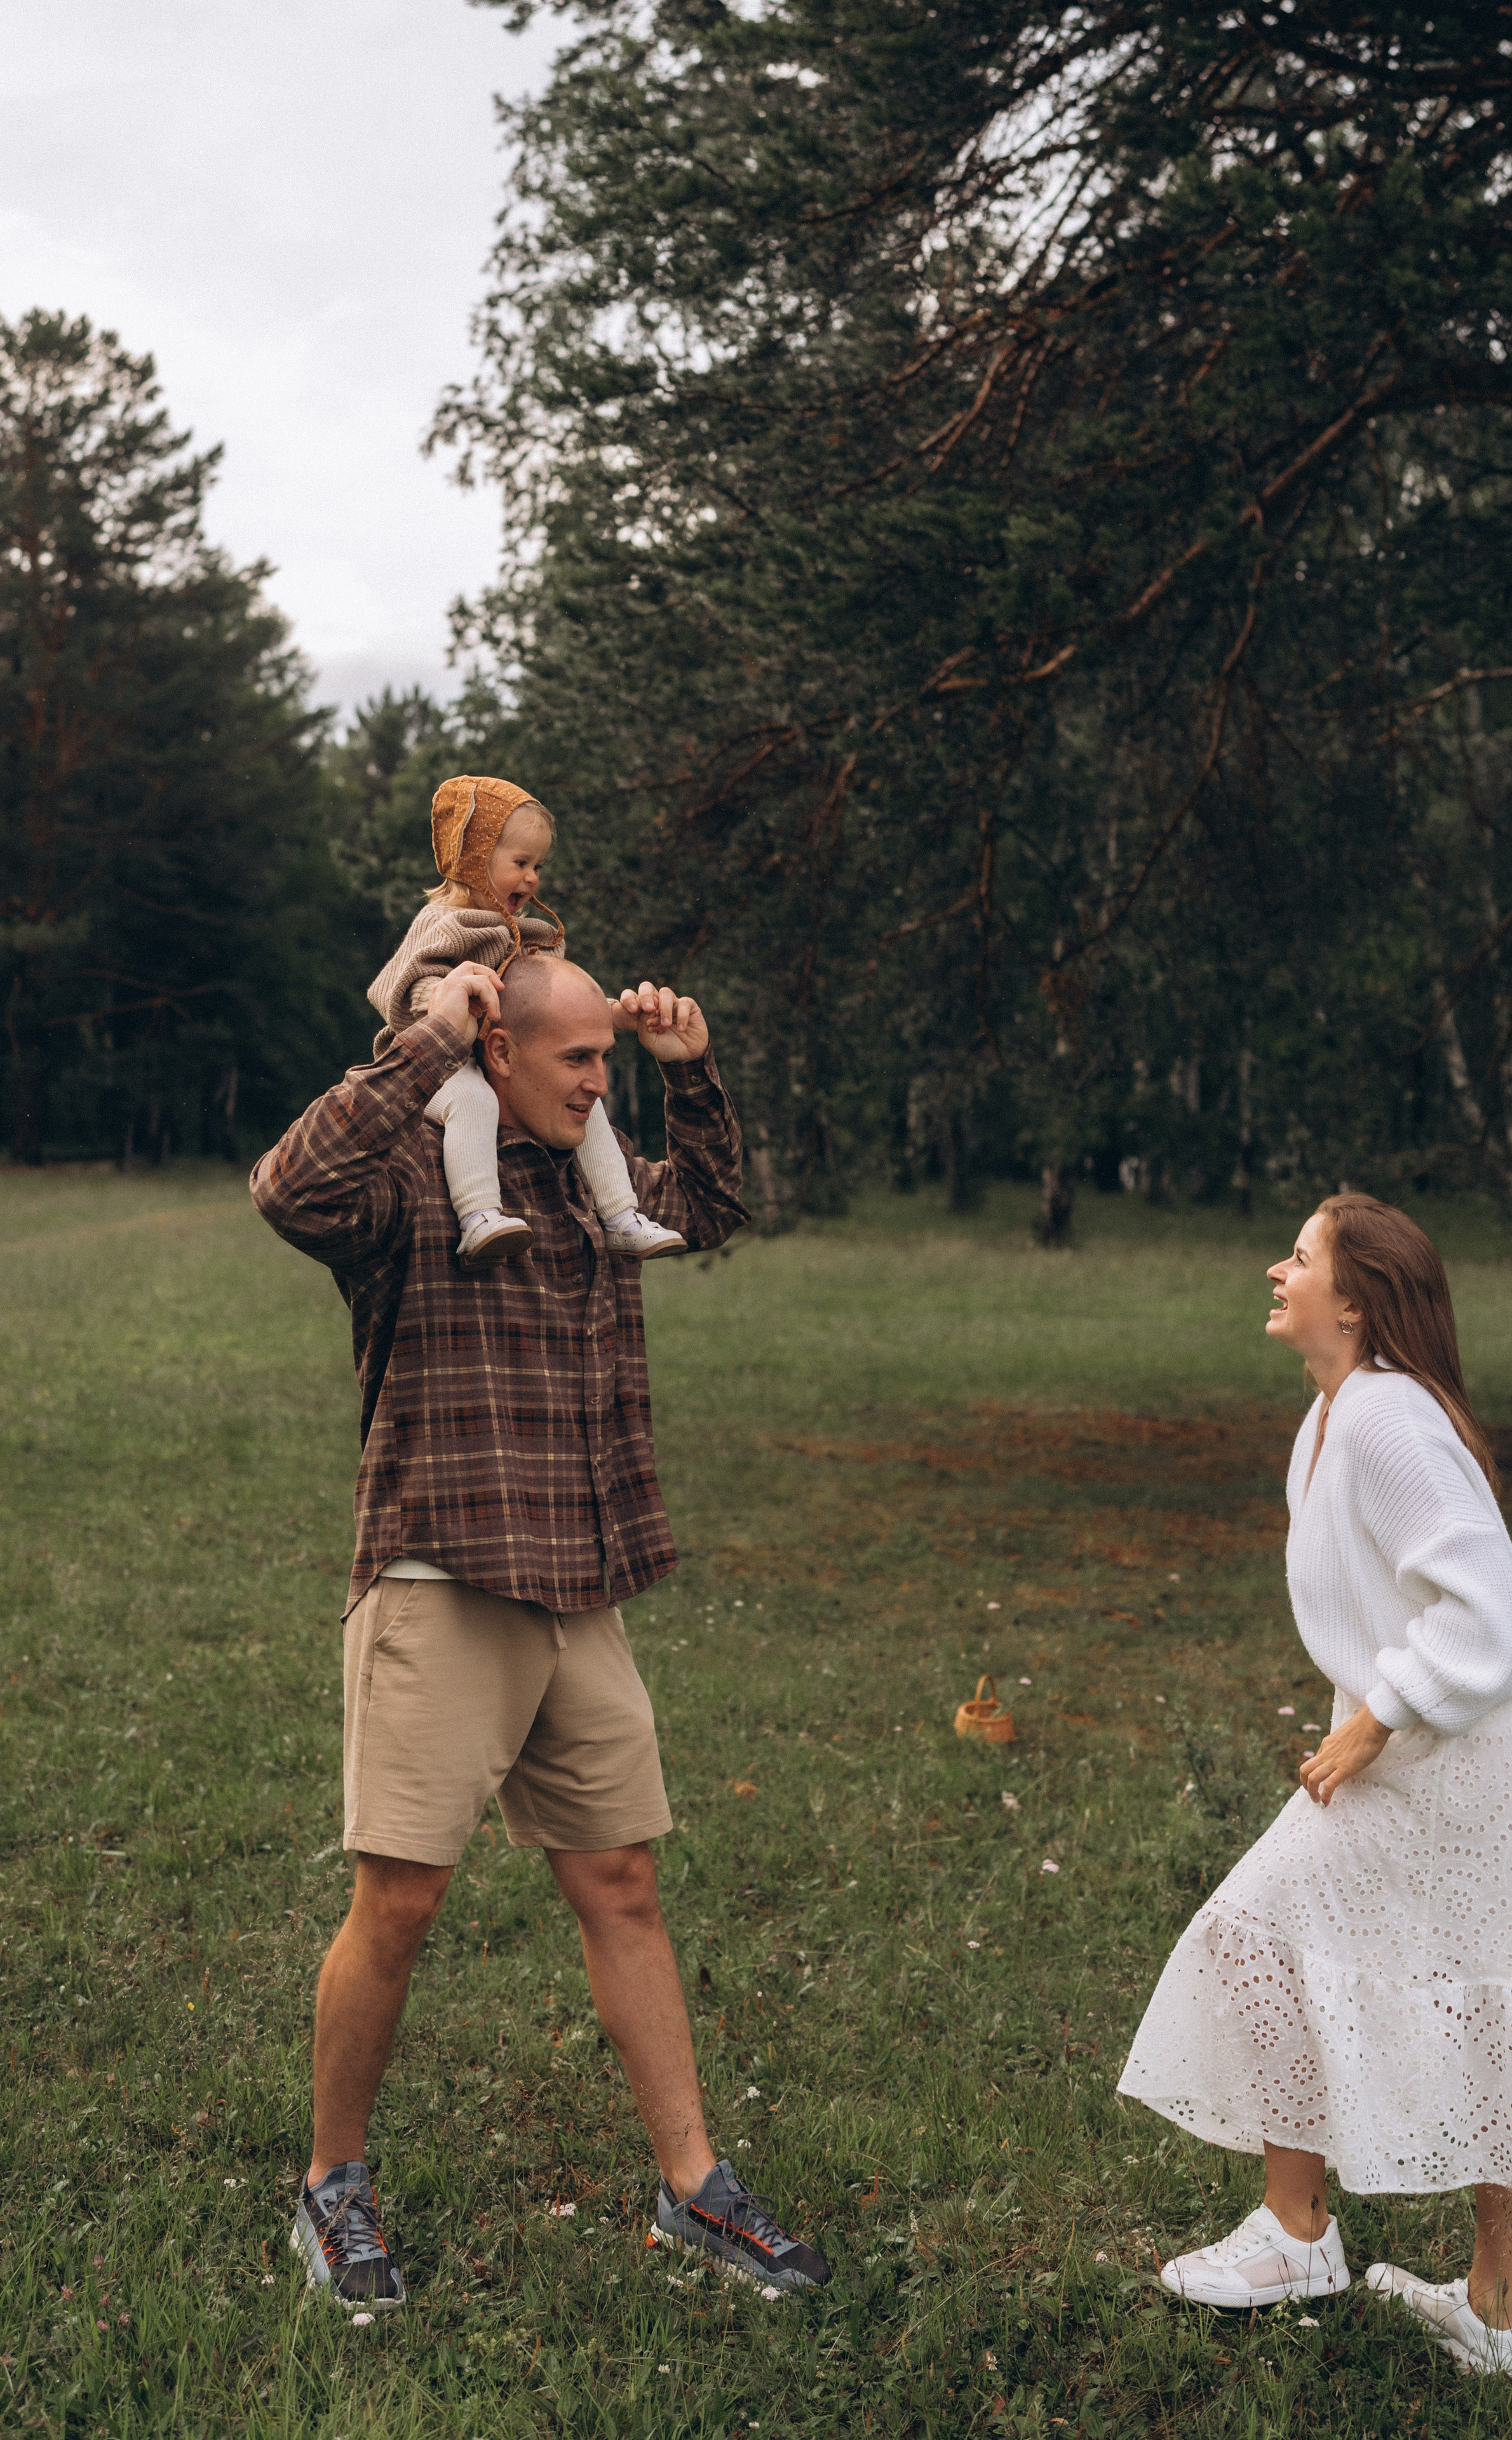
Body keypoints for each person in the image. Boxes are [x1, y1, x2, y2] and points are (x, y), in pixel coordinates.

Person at [249, 952, 832, 2307]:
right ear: (494, 1049)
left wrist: (690, 1078)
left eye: (608, 1064)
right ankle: (331, 2188)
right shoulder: (408, 1175)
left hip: (581, 1579)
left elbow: (719, 1210)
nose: (595, 1081)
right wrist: (415, 1050)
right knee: (399, 1899)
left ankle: (693, 2192)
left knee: (620, 1881)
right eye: (577, 1060)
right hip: (441, 1576)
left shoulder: (592, 1178)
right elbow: (287, 1190)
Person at [1118, 1193, 1512, 2379]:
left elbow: (1492, 1613)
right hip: (1434, 1755)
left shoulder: (1387, 1420)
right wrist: (1375, 1718)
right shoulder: (1338, 1413)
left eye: (1296, 1259)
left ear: (1353, 1301)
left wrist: (1376, 1719)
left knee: (1489, 2000)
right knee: (1279, 1936)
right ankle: (1311, 2239)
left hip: (1482, 1762)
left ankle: (1472, 2309)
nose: (1272, 1271)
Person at [368, 771, 686, 1270]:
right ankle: (479, 1219)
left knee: (589, 1105)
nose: (533, 878)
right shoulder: (443, 924)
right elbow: (392, 990)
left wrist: (616, 1014)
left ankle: (622, 1217)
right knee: (471, 1098)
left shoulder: (526, 933)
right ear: (474, 860)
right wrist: (447, 1003)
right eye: (520, 863)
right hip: (438, 1069)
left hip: (504, 1060)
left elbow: (547, 1017)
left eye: (538, 865)